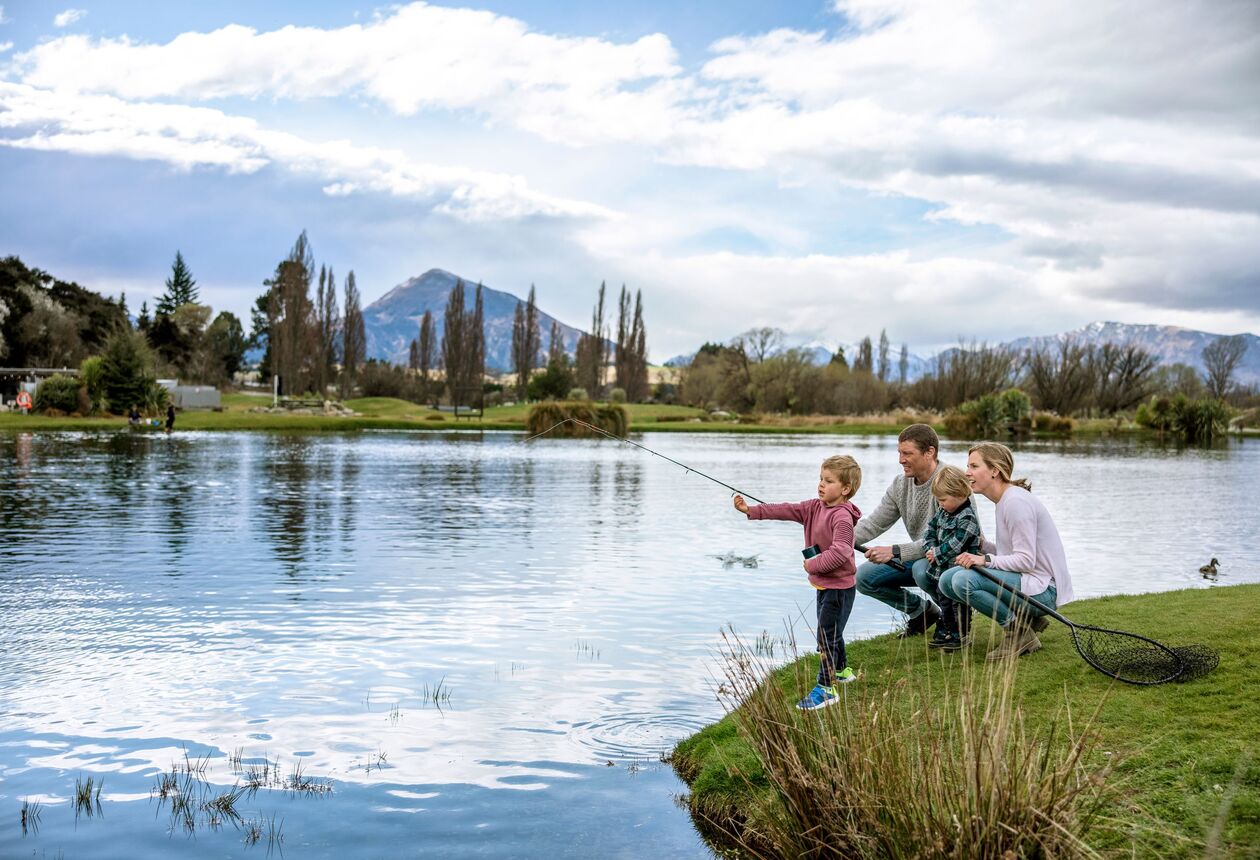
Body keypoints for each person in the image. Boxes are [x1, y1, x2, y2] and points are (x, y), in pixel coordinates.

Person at [733, 455, 863, 710]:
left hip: (840, 589)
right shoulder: (814, 507)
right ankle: (842, 671)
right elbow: (785, 509)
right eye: (820, 479)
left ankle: (826, 688)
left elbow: (842, 553)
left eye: (828, 481)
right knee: (831, 631)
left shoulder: (842, 518)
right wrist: (751, 510)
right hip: (824, 585)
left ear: (845, 489)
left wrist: (812, 565)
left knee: (826, 636)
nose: (821, 484)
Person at [940, 442, 1075, 661]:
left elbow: (1025, 561)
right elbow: (1011, 554)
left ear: (995, 471)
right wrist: (984, 545)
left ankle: (1018, 632)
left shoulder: (1015, 502)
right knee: (947, 579)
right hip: (1026, 581)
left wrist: (984, 559)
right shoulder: (1004, 500)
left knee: (963, 581)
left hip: (1043, 590)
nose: (967, 472)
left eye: (974, 466)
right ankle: (1024, 620)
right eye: (968, 466)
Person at [854, 424, 945, 636]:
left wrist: (894, 551)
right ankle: (921, 612)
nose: (901, 460)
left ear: (929, 452)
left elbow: (943, 540)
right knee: (864, 577)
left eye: (907, 453)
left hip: (951, 557)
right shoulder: (900, 484)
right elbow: (875, 523)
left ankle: (954, 618)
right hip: (920, 555)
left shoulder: (949, 481)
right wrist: (837, 537)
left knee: (922, 570)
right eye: (899, 453)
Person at [911, 465, 984, 652]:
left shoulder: (967, 518)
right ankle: (948, 631)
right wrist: (930, 548)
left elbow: (957, 544)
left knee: (958, 603)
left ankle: (961, 634)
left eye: (943, 499)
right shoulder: (943, 512)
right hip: (940, 570)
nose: (940, 503)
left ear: (959, 494)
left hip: (958, 571)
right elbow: (930, 531)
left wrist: (937, 552)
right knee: (944, 602)